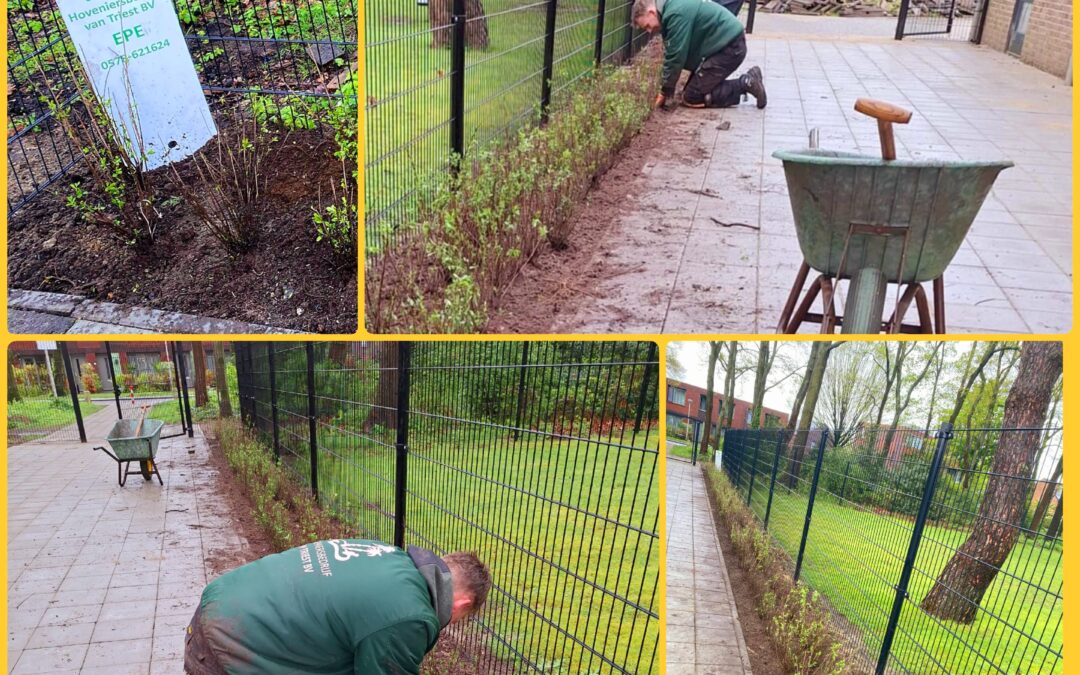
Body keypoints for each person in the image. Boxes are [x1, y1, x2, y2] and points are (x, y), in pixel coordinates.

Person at [184, 540, 491, 674]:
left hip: (224, 599)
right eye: (460, 617)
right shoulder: (410, 615)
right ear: (462, 603)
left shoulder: (389, 555)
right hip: (229, 646)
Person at [633, 0, 766, 110]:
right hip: (723, 45)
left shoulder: (675, 13)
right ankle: (750, 78)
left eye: (647, 26)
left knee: (692, 97)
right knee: (690, 91)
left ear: (651, 12)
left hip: (729, 48)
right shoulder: (671, 7)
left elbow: (675, 55)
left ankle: (746, 83)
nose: (649, 31)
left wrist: (664, 91)